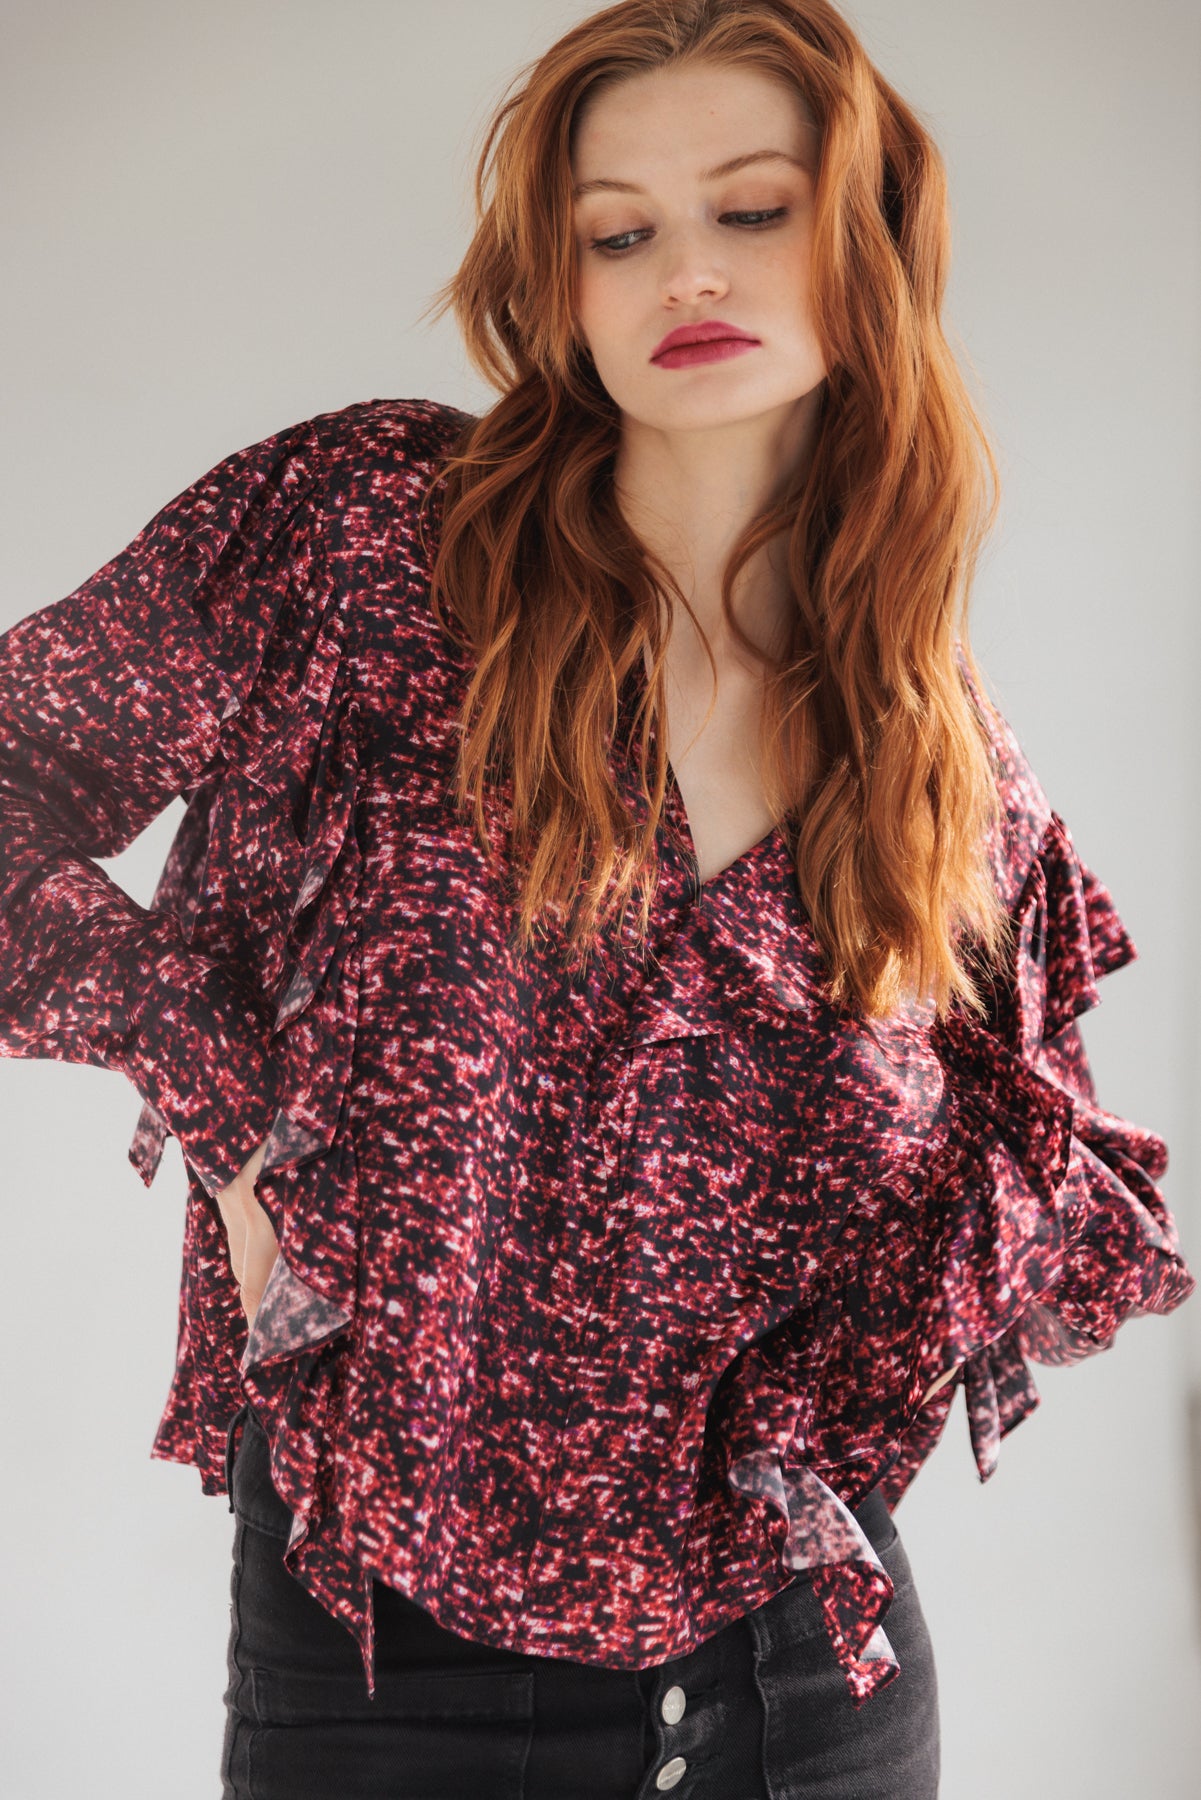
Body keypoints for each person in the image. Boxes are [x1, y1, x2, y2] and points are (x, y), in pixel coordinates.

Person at [0, 2, 1193, 1796]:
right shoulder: (368, 543)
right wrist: (234, 1117)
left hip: (806, 1704)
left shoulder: (937, 759)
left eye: (752, 208)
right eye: (615, 231)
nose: (679, 271)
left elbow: (1028, 1200)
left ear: (864, 239)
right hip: (380, 1676)